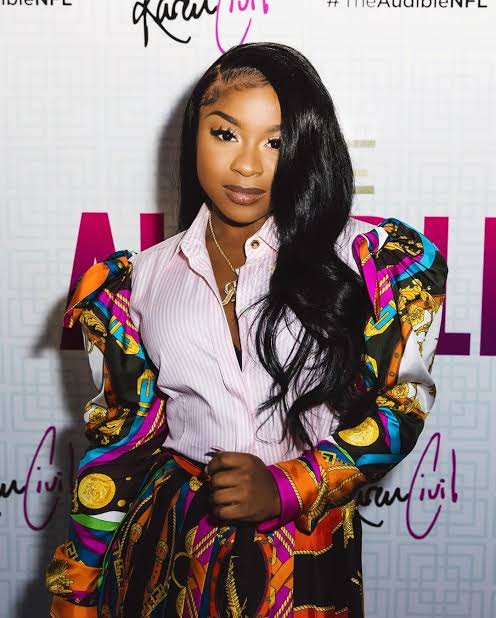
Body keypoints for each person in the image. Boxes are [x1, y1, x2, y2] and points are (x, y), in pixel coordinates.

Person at [45, 41, 448, 617]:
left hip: (307, 553)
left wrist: (290, 484)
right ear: (194, 133)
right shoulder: (138, 281)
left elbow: (401, 407)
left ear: (308, 145)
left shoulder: (368, 262)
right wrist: (77, 587)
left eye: (276, 142)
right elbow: (122, 445)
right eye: (226, 133)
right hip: (173, 552)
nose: (247, 166)